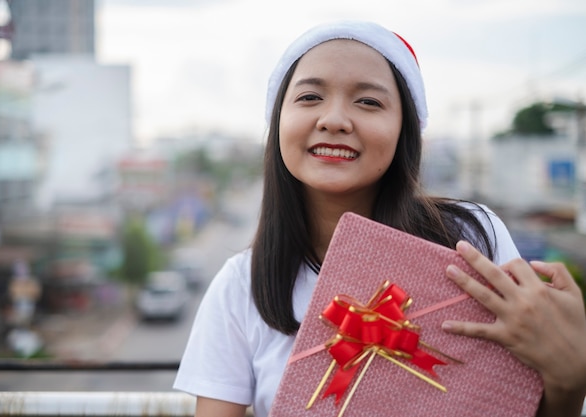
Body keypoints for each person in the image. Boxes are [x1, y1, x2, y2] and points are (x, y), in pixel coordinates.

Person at [173, 20, 586, 417]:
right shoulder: (239, 286)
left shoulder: (472, 237)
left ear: (405, 129)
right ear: (278, 120)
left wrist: (569, 379)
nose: (333, 119)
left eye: (368, 101)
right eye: (309, 97)